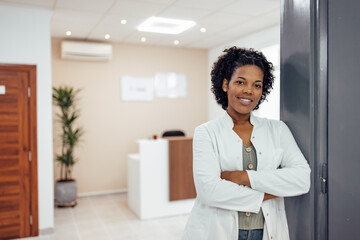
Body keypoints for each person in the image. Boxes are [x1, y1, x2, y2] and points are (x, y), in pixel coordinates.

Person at [182, 47, 311, 240]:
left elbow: (302, 179)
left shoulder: (277, 129)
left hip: (266, 231)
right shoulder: (206, 132)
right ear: (226, 84)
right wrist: (273, 191)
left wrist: (241, 177)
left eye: (257, 85)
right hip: (216, 230)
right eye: (241, 82)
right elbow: (209, 191)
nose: (249, 91)